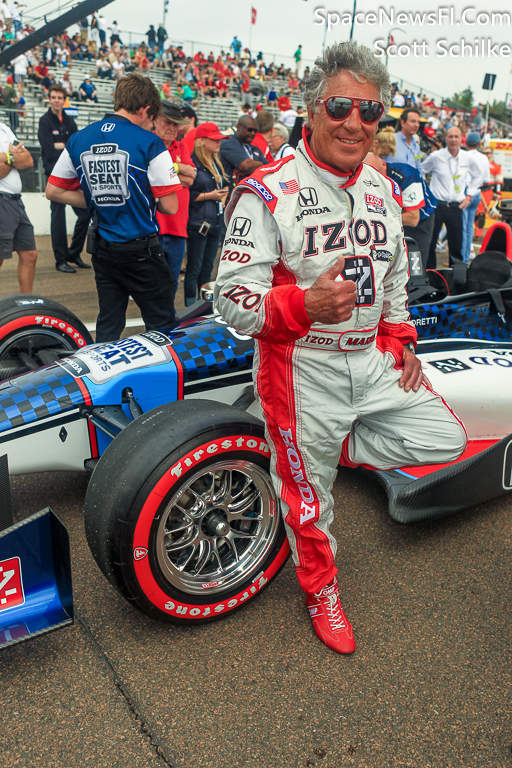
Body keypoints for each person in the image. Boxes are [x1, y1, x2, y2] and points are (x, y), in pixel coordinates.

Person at [214, 41, 466, 655]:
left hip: (372, 361)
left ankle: (311, 450)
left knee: (447, 439)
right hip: (304, 368)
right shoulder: (266, 191)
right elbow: (228, 300)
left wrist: (400, 334)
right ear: (312, 110)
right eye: (341, 106)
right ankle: (321, 589)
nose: (355, 122)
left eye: (370, 111)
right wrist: (303, 305)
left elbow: (398, 275)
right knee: (310, 505)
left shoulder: (381, 185)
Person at [46, 74, 180, 342]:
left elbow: (54, 190)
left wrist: (98, 197)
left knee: (108, 324)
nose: (153, 124)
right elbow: (170, 206)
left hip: (103, 248)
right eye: (152, 118)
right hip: (142, 250)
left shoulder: (78, 138)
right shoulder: (150, 142)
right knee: (163, 325)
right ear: (145, 110)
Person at [38, 83, 91, 273]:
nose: (56, 100)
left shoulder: (70, 121)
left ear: (64, 99)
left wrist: (62, 146)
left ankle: (73, 253)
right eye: (53, 97)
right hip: (53, 176)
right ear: (49, 98)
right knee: (58, 217)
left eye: (60, 97)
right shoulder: (44, 121)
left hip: (71, 176)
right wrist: (62, 147)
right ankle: (60, 259)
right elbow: (49, 150)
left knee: (85, 214)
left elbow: (74, 147)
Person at [154, 100, 196, 299]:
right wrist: (178, 168)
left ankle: (166, 324)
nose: (172, 128)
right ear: (156, 120)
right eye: (167, 122)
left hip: (178, 226)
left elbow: (190, 179)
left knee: (171, 284)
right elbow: (148, 174)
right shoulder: (149, 143)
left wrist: (163, 173)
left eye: (175, 124)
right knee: (154, 284)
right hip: (154, 227)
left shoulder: (182, 146)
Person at [385, 109, 437, 268]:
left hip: (413, 195)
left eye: (418, 122)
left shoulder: (415, 142)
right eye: (412, 121)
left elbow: (419, 167)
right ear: (402, 122)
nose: (416, 125)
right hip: (395, 195)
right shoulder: (391, 140)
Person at [184, 122, 229, 306]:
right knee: (194, 268)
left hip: (214, 222)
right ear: (201, 141)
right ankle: (189, 307)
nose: (219, 143)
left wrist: (224, 192)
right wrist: (209, 195)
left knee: (207, 268)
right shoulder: (192, 163)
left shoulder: (216, 162)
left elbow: (225, 184)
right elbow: (186, 194)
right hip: (199, 223)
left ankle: (202, 307)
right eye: (214, 139)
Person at [422, 126, 478, 269]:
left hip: (456, 206)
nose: (453, 140)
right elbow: (421, 170)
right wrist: (425, 193)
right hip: (437, 206)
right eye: (450, 136)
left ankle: (456, 277)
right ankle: (431, 274)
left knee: (456, 244)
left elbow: (477, 176)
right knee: (431, 242)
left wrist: (469, 196)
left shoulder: (467, 158)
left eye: (456, 137)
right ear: (446, 138)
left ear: (461, 139)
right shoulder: (436, 156)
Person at [0, 123, 38, 292]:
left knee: (30, 254)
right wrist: (13, 157)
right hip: (1, 201)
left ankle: (26, 302)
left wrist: (6, 157)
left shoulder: (4, 128)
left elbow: (28, 160)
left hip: (16, 201)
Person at [461, 132, 489, 263]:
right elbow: (486, 181)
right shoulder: (484, 157)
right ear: (479, 144)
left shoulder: (463, 155)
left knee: (463, 228)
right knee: (468, 229)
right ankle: (465, 260)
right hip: (476, 193)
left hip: (465, 193)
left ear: (466, 143)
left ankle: (462, 259)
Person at [219, 115, 266, 192]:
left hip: (251, 195)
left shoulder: (255, 149)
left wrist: (255, 166)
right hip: (232, 196)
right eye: (249, 129)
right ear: (238, 127)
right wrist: (260, 165)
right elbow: (246, 165)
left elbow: (268, 169)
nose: (253, 133)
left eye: (255, 130)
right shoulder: (227, 144)